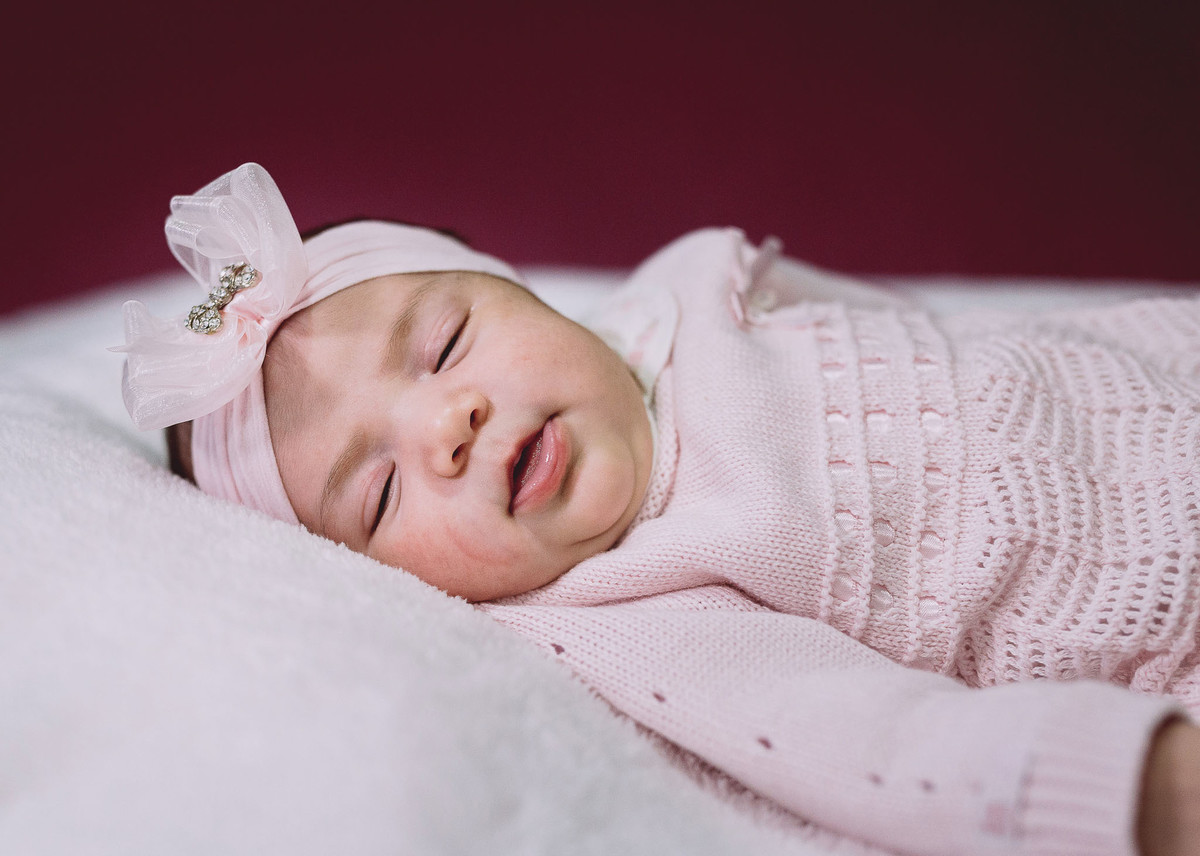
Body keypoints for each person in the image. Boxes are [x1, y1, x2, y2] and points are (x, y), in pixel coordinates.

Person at [118, 163, 1200, 855]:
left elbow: (920, 328)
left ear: (519, 287)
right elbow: (871, 741)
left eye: (444, 344)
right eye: (382, 489)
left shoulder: (694, 286)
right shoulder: (627, 601)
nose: (449, 423)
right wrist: (1137, 789)